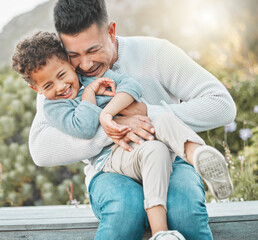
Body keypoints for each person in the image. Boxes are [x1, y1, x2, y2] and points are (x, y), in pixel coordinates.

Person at [25, 0, 237, 239]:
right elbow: (40, 149)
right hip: (109, 168)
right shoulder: (60, 79)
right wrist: (113, 128)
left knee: (183, 208)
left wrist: (149, 114)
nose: (85, 64)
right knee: (124, 209)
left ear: (111, 31)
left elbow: (222, 104)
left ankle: (195, 155)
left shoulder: (155, 53)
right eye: (74, 55)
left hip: (171, 156)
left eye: (93, 50)